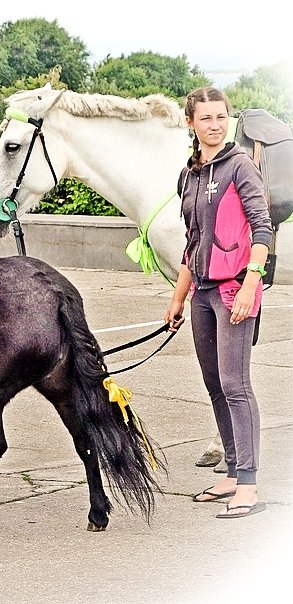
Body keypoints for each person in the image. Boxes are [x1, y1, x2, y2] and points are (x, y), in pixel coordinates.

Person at [164, 86, 272, 519]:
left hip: (235, 291)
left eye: (221, 117)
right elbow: (194, 242)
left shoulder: (241, 167)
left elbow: (262, 230)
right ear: (191, 123)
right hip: (202, 294)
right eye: (205, 118)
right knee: (213, 384)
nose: (215, 125)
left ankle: (248, 481)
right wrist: (178, 296)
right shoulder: (187, 176)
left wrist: (251, 284)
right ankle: (231, 472)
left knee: (235, 385)